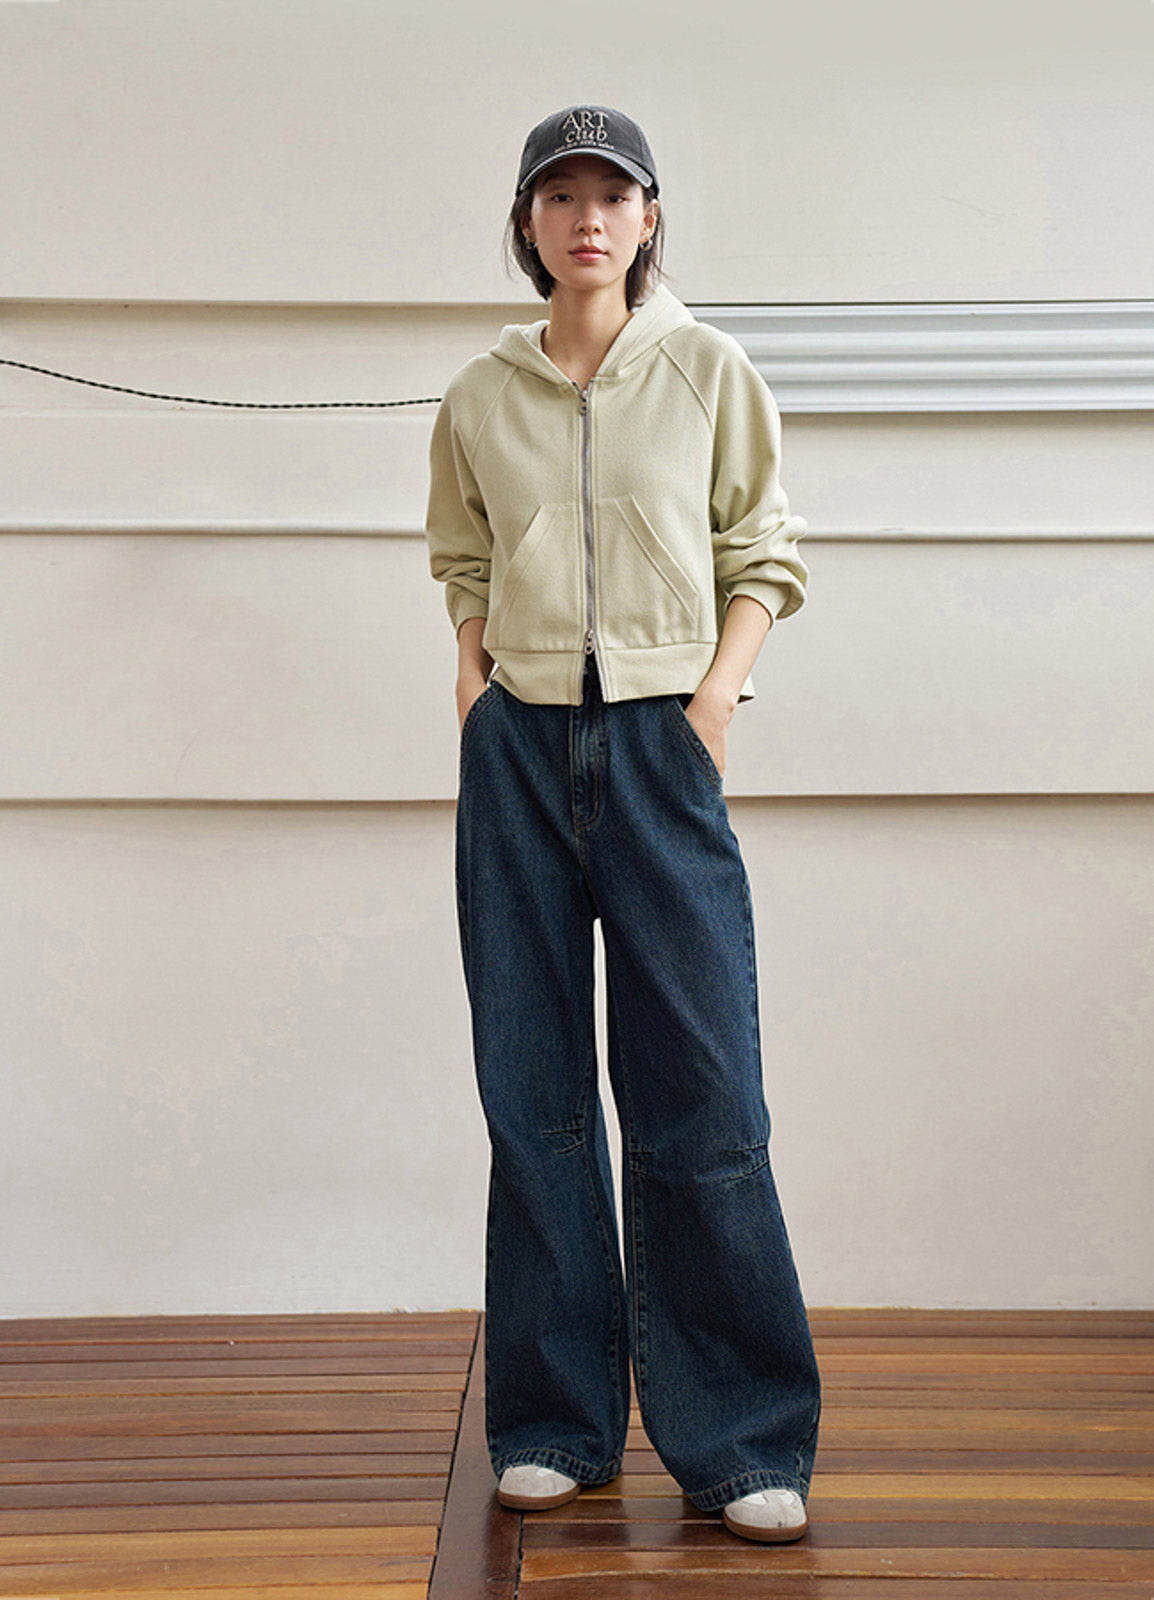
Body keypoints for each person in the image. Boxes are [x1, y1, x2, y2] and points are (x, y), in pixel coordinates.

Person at [424, 103, 821, 1545]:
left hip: (662, 742)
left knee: (701, 1091)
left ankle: (741, 1438)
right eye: (560, 195)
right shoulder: (480, 393)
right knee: (530, 1088)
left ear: (649, 218)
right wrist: (475, 684)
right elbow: (462, 552)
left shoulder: (708, 370)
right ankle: (553, 1422)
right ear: (527, 224)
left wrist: (712, 702)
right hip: (519, 749)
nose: (587, 217)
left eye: (613, 193)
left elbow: (763, 549)